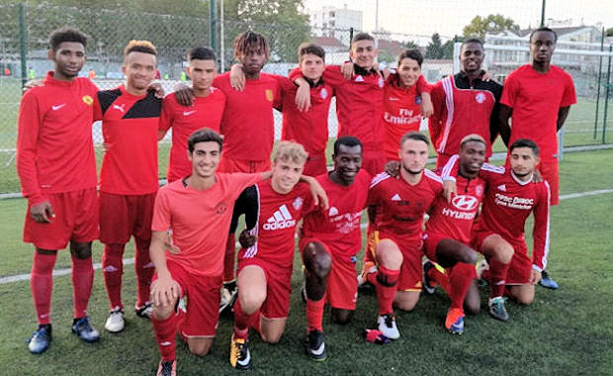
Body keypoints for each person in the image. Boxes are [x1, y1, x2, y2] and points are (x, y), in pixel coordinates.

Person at [149, 129, 268, 376]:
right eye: (200, 153)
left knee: (199, 348)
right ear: (190, 155)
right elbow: (156, 243)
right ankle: (168, 360)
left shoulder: (230, 183)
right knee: (161, 301)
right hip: (178, 265)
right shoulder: (168, 193)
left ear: (220, 156)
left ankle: (179, 315)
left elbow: (273, 173)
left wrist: (309, 180)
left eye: (213, 154)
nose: (207, 160)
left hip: (209, 275)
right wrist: (163, 276)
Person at [17, 27, 100, 354]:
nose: (74, 60)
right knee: (46, 258)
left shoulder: (88, 89)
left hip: (84, 193)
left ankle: (81, 318)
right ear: (52, 55)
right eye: (66, 53)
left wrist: (157, 87)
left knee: (83, 253)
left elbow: (120, 102)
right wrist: (34, 197)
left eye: (79, 54)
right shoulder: (35, 96)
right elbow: (24, 152)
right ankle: (43, 325)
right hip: (50, 196)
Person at [229, 141, 323, 369]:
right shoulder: (253, 193)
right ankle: (239, 337)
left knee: (272, 337)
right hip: (256, 259)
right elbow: (228, 220)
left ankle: (244, 304)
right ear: (274, 166)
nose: (289, 175)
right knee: (252, 298)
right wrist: (242, 240)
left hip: (282, 267)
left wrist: (310, 180)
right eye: (284, 168)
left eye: (296, 170)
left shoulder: (305, 191)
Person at [499, 27, 576, 289]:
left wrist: (540, 148)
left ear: (554, 47)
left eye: (547, 44)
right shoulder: (516, 78)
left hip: (547, 159)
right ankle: (500, 263)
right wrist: (517, 150)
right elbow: (501, 117)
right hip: (518, 158)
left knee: (542, 216)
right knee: (508, 212)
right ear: (530, 46)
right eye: (537, 44)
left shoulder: (564, 79)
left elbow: (561, 115)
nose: (542, 48)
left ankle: (540, 268)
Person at [291, 33, 431, 177]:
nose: (364, 54)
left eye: (369, 49)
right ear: (351, 53)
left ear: (375, 52)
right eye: (359, 50)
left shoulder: (383, 75)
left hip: (378, 153)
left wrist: (425, 96)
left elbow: (414, 75)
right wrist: (302, 83)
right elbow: (305, 70)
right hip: (351, 151)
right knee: (350, 195)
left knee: (378, 195)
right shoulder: (342, 74)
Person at [442, 138, 550, 320]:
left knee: (525, 297)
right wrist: (448, 177)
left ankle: (485, 272)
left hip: (515, 241)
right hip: (482, 232)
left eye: (526, 158)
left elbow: (541, 228)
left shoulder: (541, 188)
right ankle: (496, 299)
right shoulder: (497, 173)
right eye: (515, 157)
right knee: (502, 249)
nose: (520, 162)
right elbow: (459, 159)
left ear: (536, 162)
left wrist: (538, 265)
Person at [96, 40, 162, 333]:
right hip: (113, 190)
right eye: (136, 66)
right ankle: (115, 308)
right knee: (113, 249)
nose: (142, 73)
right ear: (124, 68)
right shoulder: (105, 99)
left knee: (147, 248)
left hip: (149, 190)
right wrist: (37, 86)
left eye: (148, 68)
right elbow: (71, 109)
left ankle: (144, 302)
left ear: (155, 72)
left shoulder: (159, 101)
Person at [365, 132, 443, 339]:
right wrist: (375, 234)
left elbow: (436, 209)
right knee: (392, 258)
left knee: (407, 303)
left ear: (428, 156)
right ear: (399, 153)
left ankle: (370, 273)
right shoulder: (381, 182)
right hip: (384, 235)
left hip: (413, 241)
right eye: (410, 152)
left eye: (422, 153)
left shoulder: (436, 183)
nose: (416, 158)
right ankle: (385, 316)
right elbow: (370, 210)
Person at [299, 136, 371, 360]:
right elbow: (292, 214)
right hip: (317, 245)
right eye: (344, 159)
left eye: (355, 160)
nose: (350, 166)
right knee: (321, 263)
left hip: (345, 254)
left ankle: (315, 285)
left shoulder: (365, 179)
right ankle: (314, 332)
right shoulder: (316, 188)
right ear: (334, 159)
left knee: (342, 317)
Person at [230, 42, 332, 177]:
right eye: (308, 63)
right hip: (290, 157)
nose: (313, 67)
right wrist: (237, 68)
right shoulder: (286, 86)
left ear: (324, 66)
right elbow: (257, 75)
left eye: (318, 62)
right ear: (300, 66)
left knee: (317, 195)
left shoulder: (330, 87)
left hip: (318, 159)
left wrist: (303, 83)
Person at [422, 134, 487, 335]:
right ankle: (455, 310)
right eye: (470, 152)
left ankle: (432, 272)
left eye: (480, 153)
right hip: (436, 240)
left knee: (474, 307)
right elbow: (415, 179)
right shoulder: (441, 177)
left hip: (463, 248)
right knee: (469, 256)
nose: (476, 157)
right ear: (459, 154)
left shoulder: (484, 182)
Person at [429, 38, 503, 168]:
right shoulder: (444, 86)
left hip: (479, 156)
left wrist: (484, 146)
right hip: (448, 156)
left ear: (483, 56)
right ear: (460, 57)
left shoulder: (495, 89)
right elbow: (433, 120)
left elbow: (496, 124)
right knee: (446, 189)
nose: (472, 56)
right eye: (467, 53)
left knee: (476, 189)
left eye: (477, 53)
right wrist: (440, 145)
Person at [158, 46, 225, 182]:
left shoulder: (221, 97)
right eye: (198, 70)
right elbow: (156, 135)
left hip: (212, 177)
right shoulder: (173, 100)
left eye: (208, 71)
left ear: (215, 73)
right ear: (188, 71)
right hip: (181, 177)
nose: (203, 76)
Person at [381, 50, 431, 161]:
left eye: (415, 70)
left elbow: (423, 82)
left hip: (410, 157)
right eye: (405, 69)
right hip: (384, 156)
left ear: (420, 71)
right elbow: (373, 70)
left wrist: (426, 95)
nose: (410, 74)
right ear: (398, 69)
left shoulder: (422, 91)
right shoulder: (386, 86)